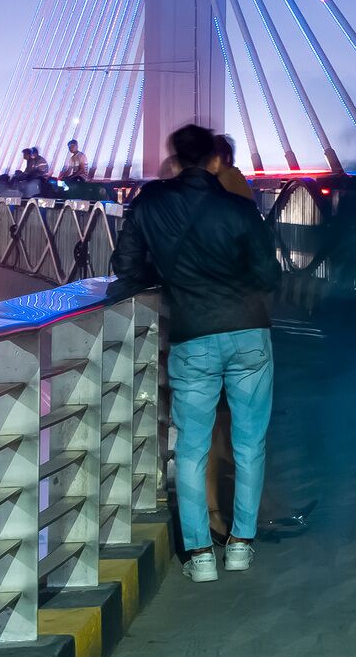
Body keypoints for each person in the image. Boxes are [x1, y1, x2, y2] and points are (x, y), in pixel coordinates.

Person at [112, 122, 279, 582]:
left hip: (193, 336)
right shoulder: (240, 210)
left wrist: (171, 272)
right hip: (248, 335)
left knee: (190, 448)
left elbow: (125, 268)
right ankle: (241, 545)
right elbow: (269, 275)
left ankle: (201, 557)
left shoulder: (149, 203)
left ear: (178, 159)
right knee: (250, 444)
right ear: (213, 159)